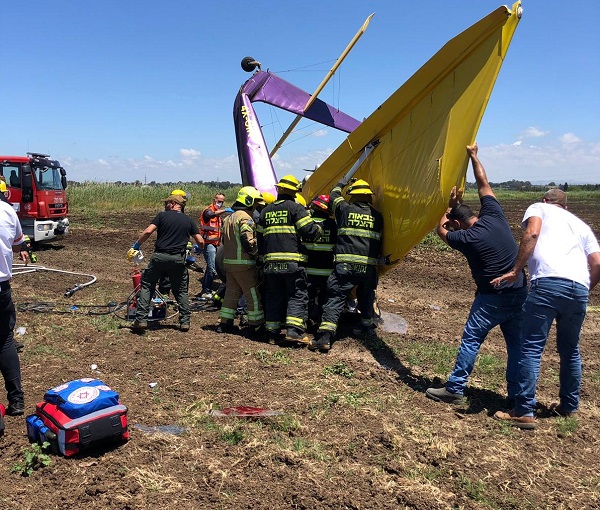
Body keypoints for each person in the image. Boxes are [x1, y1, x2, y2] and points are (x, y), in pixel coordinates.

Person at [425, 142, 528, 406]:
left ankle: (455, 388)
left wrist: (446, 207)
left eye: (453, 222)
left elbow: (441, 231)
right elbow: (482, 182)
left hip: (491, 297)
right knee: (516, 346)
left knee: (471, 340)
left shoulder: (466, 238)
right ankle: (516, 396)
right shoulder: (494, 215)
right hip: (519, 291)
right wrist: (473, 156)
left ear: (458, 223)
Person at [491, 188, 600, 429]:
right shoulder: (581, 225)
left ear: (545, 200)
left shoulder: (539, 209)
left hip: (547, 284)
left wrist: (516, 269)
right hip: (579, 288)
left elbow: (531, 233)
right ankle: (569, 405)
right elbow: (597, 262)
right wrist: (584, 289)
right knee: (570, 350)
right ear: (566, 206)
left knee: (531, 347)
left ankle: (524, 409)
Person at [310, 177, 383, 352]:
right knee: (366, 297)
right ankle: (366, 328)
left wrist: (343, 182)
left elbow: (334, 195)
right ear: (369, 197)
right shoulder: (378, 217)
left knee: (335, 298)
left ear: (353, 196)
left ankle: (325, 337)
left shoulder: (344, 209)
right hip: (368, 268)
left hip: (345, 267)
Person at [259, 175, 322, 344]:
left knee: (273, 296)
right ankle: (294, 332)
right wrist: (319, 229)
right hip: (292, 263)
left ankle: (272, 332)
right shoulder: (296, 209)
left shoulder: (266, 211)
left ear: (279, 189)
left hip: (270, 264)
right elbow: (308, 231)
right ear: (295, 191)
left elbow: (259, 238)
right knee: (296, 295)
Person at [129, 194, 204, 332]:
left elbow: (148, 231)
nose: (165, 206)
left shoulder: (162, 216)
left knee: (147, 285)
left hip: (160, 257)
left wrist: (137, 245)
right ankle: (185, 322)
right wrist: (200, 247)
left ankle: (141, 320)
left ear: (172, 203)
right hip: (178, 259)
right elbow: (200, 241)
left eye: (166, 203)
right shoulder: (188, 220)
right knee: (180, 290)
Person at [217, 186, 264, 334]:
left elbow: (223, 241)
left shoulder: (229, 218)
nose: (256, 206)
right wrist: (257, 255)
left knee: (231, 294)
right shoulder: (245, 218)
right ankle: (256, 325)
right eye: (255, 203)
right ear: (249, 201)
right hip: (244, 264)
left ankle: (225, 323)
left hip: (229, 264)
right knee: (253, 295)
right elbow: (247, 240)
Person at [0, 193, 29, 416]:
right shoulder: (9, 211)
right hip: (2, 288)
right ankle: (17, 400)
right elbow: (18, 245)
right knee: (5, 341)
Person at [303, 195, 337, 330]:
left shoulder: (306, 224)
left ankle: (305, 321)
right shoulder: (333, 226)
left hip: (308, 268)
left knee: (307, 297)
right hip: (326, 270)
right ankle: (321, 322)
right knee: (324, 297)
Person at [199, 192, 228, 298]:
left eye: (222, 202)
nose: (220, 203)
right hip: (208, 244)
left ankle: (205, 289)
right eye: (218, 201)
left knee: (210, 267)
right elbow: (209, 215)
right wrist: (224, 210)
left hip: (215, 244)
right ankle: (206, 291)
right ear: (214, 200)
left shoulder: (218, 215)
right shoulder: (208, 211)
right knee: (212, 267)